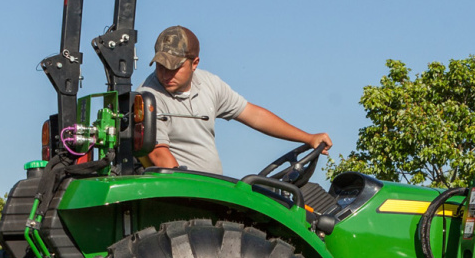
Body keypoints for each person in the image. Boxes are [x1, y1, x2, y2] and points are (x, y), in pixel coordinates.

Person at [138, 26, 333, 174]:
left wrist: (308, 138)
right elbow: (159, 155)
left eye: (174, 68)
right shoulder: (149, 98)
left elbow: (253, 115)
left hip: (212, 191)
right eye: (161, 66)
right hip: (182, 195)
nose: (165, 74)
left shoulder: (209, 84)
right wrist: (189, 194)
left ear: (195, 63)